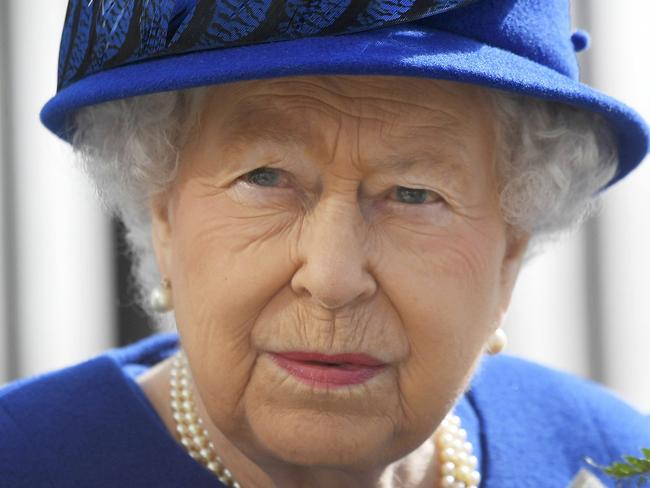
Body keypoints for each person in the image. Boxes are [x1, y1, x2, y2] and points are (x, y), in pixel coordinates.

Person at [1, 1, 649, 487]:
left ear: (510, 248)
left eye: (415, 194)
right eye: (265, 178)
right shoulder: (25, 458)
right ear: (163, 213)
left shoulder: (614, 458)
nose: (333, 277)